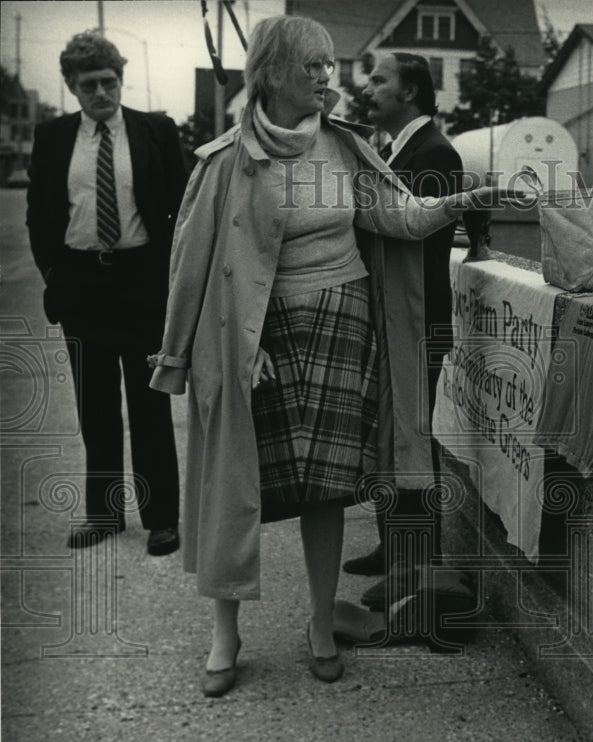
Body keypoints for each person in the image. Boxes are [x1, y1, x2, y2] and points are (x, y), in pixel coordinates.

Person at [148, 15, 514, 697]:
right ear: (273, 72)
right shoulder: (224, 160)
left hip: (345, 329)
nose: (326, 77)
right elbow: (191, 266)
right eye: (311, 66)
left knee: (327, 489)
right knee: (235, 488)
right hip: (259, 338)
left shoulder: (346, 147)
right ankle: (225, 633)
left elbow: (395, 217)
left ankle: (321, 623)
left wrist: (464, 202)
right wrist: (219, 352)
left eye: (328, 65)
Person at [26, 31, 185, 556]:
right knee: (95, 408)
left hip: (142, 284)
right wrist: (55, 275)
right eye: (89, 84)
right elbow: (40, 215)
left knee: (149, 406)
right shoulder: (52, 138)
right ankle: (104, 514)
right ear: (72, 87)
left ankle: (161, 518)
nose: (102, 92)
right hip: (82, 286)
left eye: (109, 81)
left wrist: (172, 280)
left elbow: (182, 209)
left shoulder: (155, 130)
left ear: (121, 79)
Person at [341, 53, 463, 611]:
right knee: (391, 437)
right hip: (394, 317)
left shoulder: (434, 153)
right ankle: (393, 549)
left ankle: (415, 568)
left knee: (414, 442)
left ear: (411, 91)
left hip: (417, 322)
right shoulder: (397, 149)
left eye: (381, 79)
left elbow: (410, 231)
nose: (369, 88)